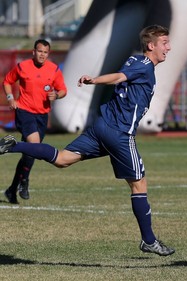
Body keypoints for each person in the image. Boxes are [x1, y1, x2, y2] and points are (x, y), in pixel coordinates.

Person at [0, 25, 175, 256]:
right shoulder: (143, 66)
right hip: (119, 133)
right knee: (139, 184)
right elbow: (119, 77)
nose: (168, 47)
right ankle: (149, 240)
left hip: (102, 127)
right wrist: (95, 80)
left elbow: (122, 76)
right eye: (164, 42)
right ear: (151, 45)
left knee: (62, 159)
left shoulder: (135, 60)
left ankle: (14, 145)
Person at [3, 39, 67, 204]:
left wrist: (57, 95)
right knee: (34, 145)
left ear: (48, 54)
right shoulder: (23, 66)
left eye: (45, 52)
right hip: (24, 112)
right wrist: (10, 98)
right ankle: (24, 181)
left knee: (29, 153)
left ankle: (12, 189)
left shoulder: (54, 69)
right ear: (33, 52)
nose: (42, 55)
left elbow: (63, 90)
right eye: (39, 51)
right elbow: (8, 82)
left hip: (42, 116)